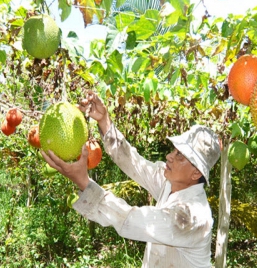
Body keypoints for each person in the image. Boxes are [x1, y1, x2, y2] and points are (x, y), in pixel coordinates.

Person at [41, 91, 221, 268]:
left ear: (196, 174)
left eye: (180, 156)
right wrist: (104, 122)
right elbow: (134, 163)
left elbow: (132, 220)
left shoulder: (192, 217)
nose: (169, 156)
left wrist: (84, 183)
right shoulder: (170, 182)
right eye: (174, 150)